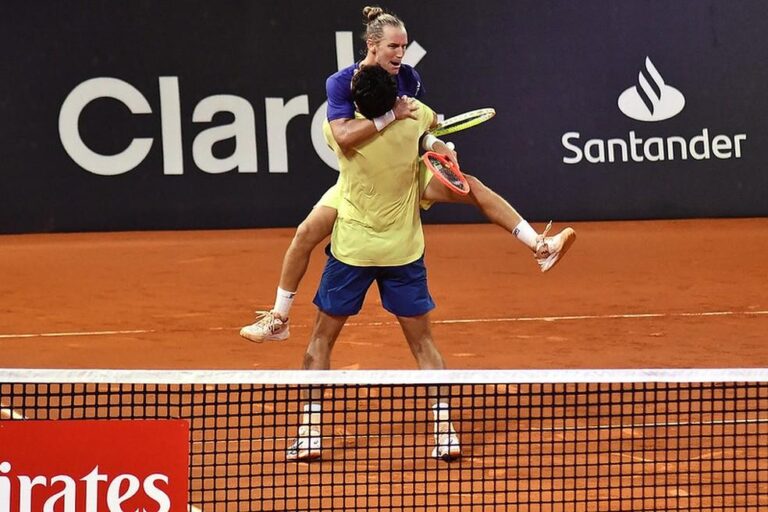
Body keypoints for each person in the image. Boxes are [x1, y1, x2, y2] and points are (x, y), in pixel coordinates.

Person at [240, 6, 575, 342]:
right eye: (393, 47)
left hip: (404, 172)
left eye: (403, 46)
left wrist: (434, 142)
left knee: (470, 188)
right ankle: (279, 319)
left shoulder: (409, 78)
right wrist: (392, 115)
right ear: (372, 45)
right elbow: (343, 135)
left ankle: (539, 246)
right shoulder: (342, 83)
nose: (401, 54)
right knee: (305, 234)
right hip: (358, 181)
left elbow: (418, 130)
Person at [287, 64, 460, 462]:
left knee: (320, 340)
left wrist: (388, 116)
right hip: (402, 253)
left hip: (352, 253)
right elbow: (433, 127)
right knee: (423, 344)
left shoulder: (339, 136)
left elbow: (349, 128)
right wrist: (438, 145)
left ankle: (310, 432)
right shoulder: (413, 125)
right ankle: (445, 429)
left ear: (358, 103)